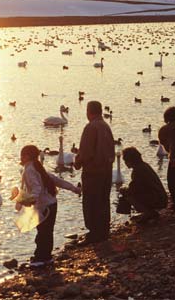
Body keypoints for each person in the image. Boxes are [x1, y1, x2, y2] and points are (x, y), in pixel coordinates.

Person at [17, 145, 81, 267]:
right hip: (52, 204)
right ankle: (47, 257)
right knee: (47, 232)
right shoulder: (38, 167)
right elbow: (56, 180)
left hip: (43, 206)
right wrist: (74, 189)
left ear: (27, 156)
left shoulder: (29, 170)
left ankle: (40, 258)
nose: (21, 157)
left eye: (22, 155)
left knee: (42, 233)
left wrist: (31, 200)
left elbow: (36, 188)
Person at [74, 101, 115, 245]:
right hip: (107, 170)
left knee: (91, 201)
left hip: (93, 171)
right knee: (103, 199)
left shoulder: (91, 127)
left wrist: (77, 162)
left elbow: (86, 152)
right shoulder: (106, 126)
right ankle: (104, 229)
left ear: (88, 111)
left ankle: (94, 232)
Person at [120, 147, 168, 223]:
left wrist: (123, 190)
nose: (125, 163)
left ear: (130, 160)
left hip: (158, 199)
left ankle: (149, 212)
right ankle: (148, 212)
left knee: (128, 195)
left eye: (125, 161)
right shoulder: (144, 166)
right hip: (161, 197)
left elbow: (133, 189)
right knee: (130, 192)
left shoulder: (138, 171)